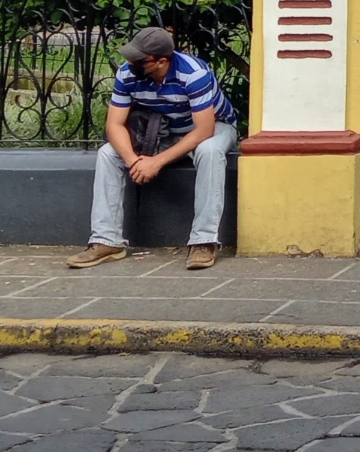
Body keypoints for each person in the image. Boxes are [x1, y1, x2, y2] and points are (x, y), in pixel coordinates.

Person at [67, 26, 239, 272]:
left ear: (161, 61)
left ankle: (204, 241)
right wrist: (133, 161)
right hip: (163, 130)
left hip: (212, 127)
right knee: (107, 153)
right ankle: (107, 241)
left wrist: (156, 162)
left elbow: (204, 130)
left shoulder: (194, 73)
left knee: (209, 151)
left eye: (139, 59)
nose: (130, 62)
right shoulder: (127, 74)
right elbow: (114, 125)